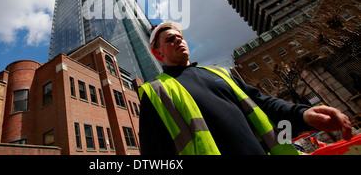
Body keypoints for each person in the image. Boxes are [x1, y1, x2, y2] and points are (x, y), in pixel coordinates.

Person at [138, 22, 354, 155]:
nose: (178, 40)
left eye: (180, 37)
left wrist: (303, 114)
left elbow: (263, 103)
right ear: (158, 54)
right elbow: (155, 151)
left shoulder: (219, 73)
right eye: (170, 39)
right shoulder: (156, 92)